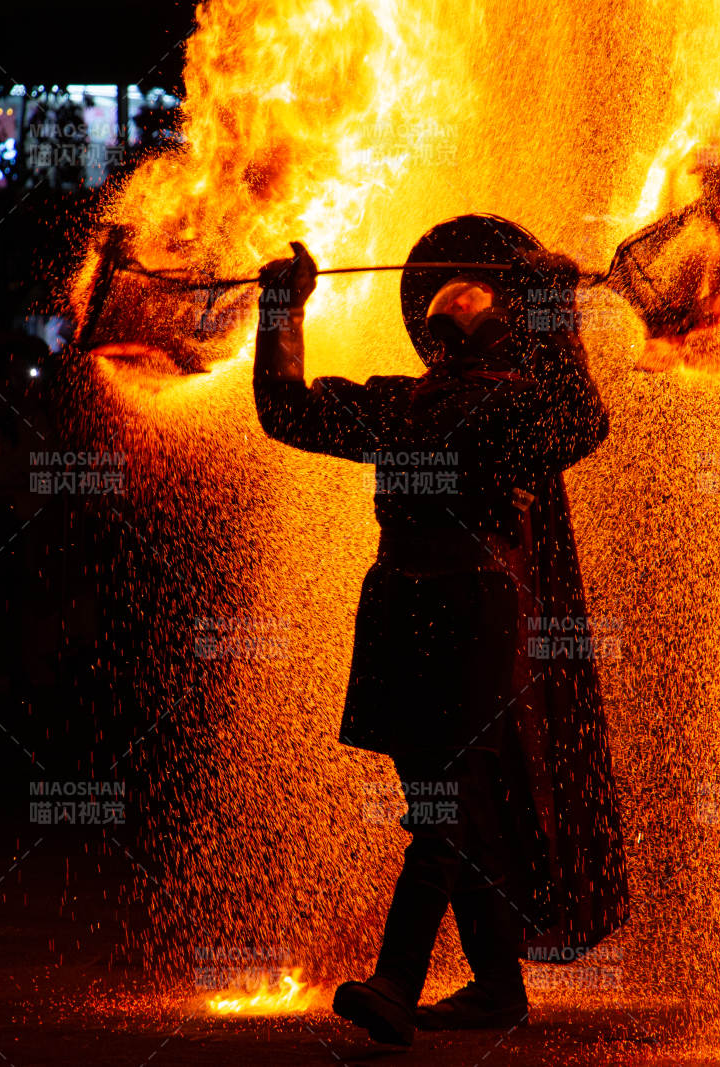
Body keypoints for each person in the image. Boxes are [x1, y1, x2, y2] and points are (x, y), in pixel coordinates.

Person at [252, 215, 629, 1046]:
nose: (450, 293)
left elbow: (583, 420)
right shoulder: (393, 402)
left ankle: (395, 982)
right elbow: (284, 409)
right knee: (446, 803)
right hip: (396, 613)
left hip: (476, 615)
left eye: (476, 288)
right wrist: (283, 309)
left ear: (502, 322)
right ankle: (497, 988)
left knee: (444, 806)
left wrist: (559, 314)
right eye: (441, 291)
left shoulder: (521, 409)